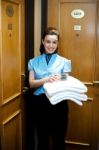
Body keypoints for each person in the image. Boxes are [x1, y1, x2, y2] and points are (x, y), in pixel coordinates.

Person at [28, 27, 71, 150]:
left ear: (57, 44)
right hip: (39, 104)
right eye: (48, 41)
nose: (51, 45)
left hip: (59, 103)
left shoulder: (64, 61)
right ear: (42, 41)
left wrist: (59, 76)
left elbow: (67, 77)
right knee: (42, 140)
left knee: (59, 140)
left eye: (54, 42)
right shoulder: (33, 62)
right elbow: (31, 83)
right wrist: (46, 79)